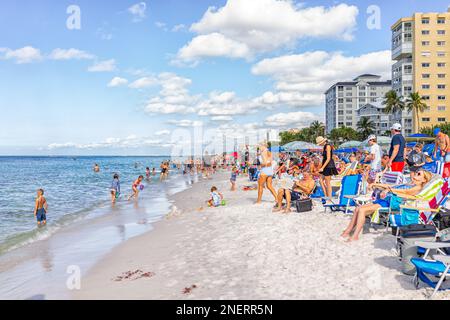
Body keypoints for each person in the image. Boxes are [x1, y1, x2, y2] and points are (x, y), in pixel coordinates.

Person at [341, 169, 432, 242]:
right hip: (387, 199)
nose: (415, 175)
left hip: (392, 202)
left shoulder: (417, 187)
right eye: (416, 173)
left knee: (362, 210)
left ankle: (355, 235)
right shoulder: (409, 183)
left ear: (424, 180)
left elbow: (404, 192)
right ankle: (348, 231)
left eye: (419, 174)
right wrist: (376, 184)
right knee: (358, 208)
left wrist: (389, 190)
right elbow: (391, 185)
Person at [316, 136, 338, 201]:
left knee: (327, 182)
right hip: (326, 165)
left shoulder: (328, 146)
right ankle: (326, 195)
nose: (320, 144)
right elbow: (324, 158)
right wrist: (321, 166)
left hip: (329, 165)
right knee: (320, 180)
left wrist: (322, 167)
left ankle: (329, 198)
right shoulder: (324, 147)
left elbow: (328, 158)